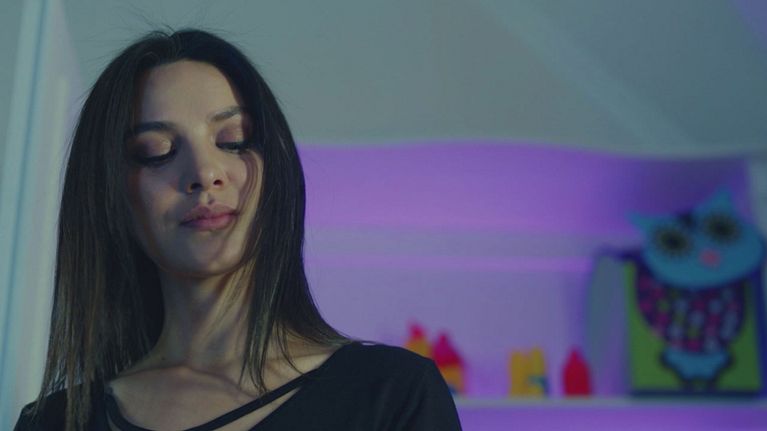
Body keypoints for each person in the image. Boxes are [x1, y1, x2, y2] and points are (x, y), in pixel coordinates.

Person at [14, 29, 462, 431]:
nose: (205, 173)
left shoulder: (391, 394)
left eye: (233, 141)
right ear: (110, 195)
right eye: (156, 150)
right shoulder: (52, 422)